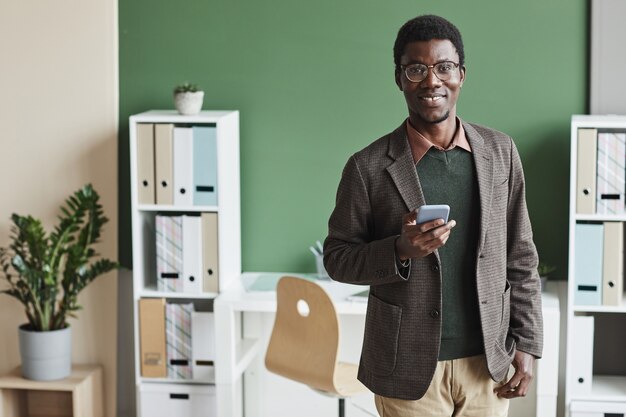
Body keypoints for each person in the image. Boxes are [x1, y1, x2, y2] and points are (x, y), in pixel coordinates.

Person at [323, 15, 543, 417]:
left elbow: (521, 255)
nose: (431, 81)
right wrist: (400, 250)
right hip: (407, 369)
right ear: (399, 78)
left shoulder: (500, 152)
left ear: (461, 73)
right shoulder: (367, 167)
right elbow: (337, 257)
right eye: (416, 69)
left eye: (443, 67)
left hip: (488, 365)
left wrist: (527, 344)